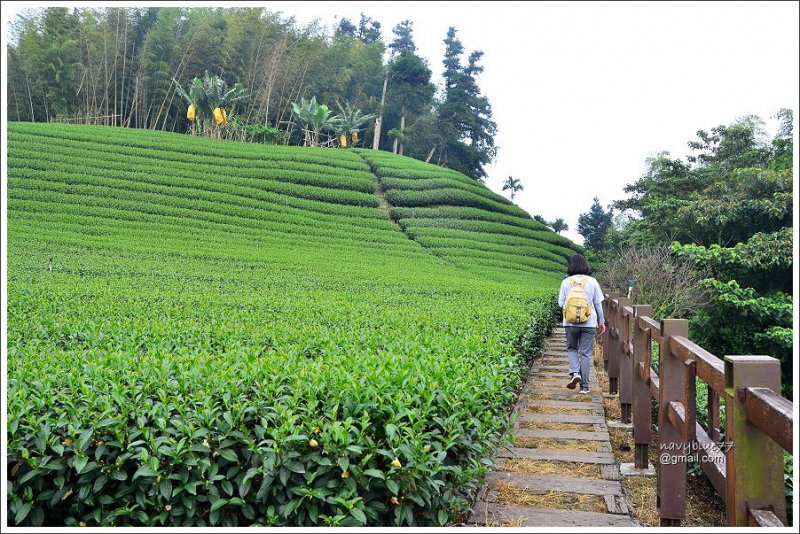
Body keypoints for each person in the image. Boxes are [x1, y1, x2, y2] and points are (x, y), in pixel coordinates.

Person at [558, 254, 606, 394]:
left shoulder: (566, 282)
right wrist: (601, 321)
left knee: (572, 348)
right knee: (585, 353)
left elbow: (561, 303)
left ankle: (574, 373)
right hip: (589, 322)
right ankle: (584, 387)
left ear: (571, 265)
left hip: (570, 323)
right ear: (585, 265)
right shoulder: (592, 281)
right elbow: (598, 304)